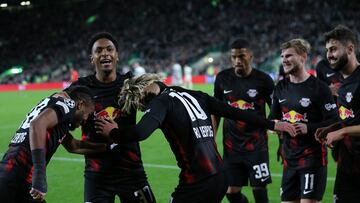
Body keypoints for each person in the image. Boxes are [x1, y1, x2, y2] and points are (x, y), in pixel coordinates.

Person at [94, 73, 297, 203]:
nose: (144, 107)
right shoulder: (195, 94)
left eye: (141, 102)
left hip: (197, 182)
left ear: (145, 90)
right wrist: (273, 123)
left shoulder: (161, 102)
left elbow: (140, 132)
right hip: (220, 176)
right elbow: (234, 112)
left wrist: (113, 131)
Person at [68, 32, 155, 203]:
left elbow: (160, 98)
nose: (105, 53)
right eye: (98, 51)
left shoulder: (130, 84)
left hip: (132, 172)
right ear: (92, 58)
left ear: (117, 56)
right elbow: (56, 111)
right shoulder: (81, 88)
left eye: (110, 49)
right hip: (97, 176)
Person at [0, 85, 104, 203]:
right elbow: (37, 125)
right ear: (80, 104)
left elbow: (73, 146)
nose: (85, 120)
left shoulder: (56, 112)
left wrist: (106, 147)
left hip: (9, 170)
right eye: (88, 114)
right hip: (19, 176)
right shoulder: (68, 104)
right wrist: (39, 175)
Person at [269, 38, 339, 203]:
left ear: (303, 57)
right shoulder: (280, 88)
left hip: (312, 160)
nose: (284, 59)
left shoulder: (319, 88)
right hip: (289, 161)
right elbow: (272, 119)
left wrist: (309, 128)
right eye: (282, 56)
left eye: (289, 55)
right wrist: (275, 127)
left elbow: (334, 121)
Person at [212, 38, 274, 203]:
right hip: (231, 147)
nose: (237, 60)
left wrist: (279, 133)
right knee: (231, 191)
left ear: (251, 56)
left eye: (242, 56)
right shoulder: (222, 79)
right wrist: (212, 137)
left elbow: (275, 109)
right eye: (234, 57)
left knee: (259, 189)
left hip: (257, 146)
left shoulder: (264, 80)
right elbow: (215, 110)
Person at [315, 25, 360, 203]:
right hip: (347, 167)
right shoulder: (342, 83)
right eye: (327, 50)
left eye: (333, 49)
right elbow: (351, 119)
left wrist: (340, 132)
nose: (329, 55)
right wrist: (331, 128)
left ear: (350, 49)